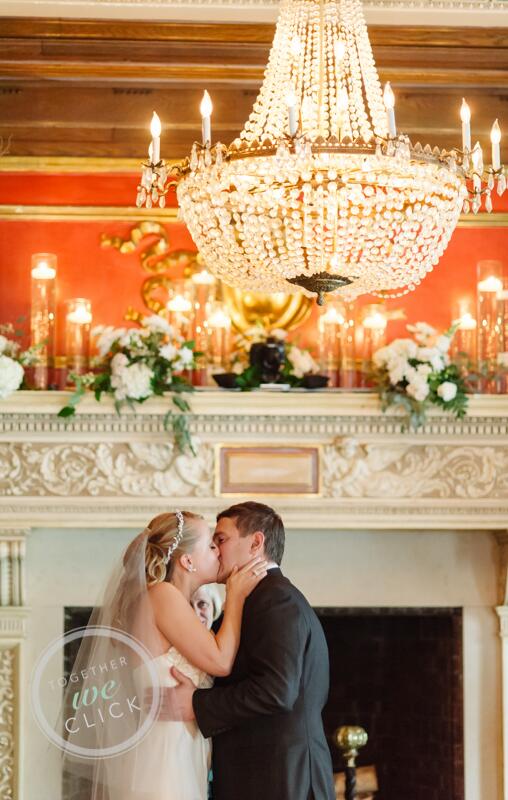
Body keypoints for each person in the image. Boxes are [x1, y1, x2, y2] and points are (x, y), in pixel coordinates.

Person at [62, 509, 267, 800]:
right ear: (187, 560)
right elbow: (221, 662)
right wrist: (236, 596)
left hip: (178, 753)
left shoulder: (168, 599)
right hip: (166, 761)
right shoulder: (162, 595)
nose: (219, 552)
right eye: (210, 545)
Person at [163, 501, 336, 800]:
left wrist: (197, 704)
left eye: (221, 540)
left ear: (256, 543)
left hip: (282, 781)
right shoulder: (249, 602)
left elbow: (277, 690)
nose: (216, 551)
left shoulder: (276, 601)